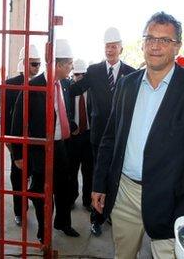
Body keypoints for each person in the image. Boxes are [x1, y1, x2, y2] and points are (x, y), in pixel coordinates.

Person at [91, 12, 184, 258]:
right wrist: (99, 183)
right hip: (124, 193)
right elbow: (110, 139)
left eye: (165, 40)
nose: (156, 46)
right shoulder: (127, 84)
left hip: (171, 199)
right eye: (150, 38)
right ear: (143, 42)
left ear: (177, 46)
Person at [11, 39, 80, 243]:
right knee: (42, 194)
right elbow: (17, 124)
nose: (71, 68)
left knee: (65, 189)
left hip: (60, 147)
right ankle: (44, 230)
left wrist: (72, 126)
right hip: (39, 150)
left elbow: (64, 112)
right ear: (58, 65)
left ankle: (63, 223)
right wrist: (18, 155)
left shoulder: (65, 85)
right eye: (69, 64)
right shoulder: (33, 88)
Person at [71, 27, 136, 237]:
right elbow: (76, 89)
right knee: (96, 175)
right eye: (107, 46)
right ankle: (95, 218)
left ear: (121, 48)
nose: (110, 50)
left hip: (123, 136)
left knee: (116, 175)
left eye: (114, 46)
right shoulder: (94, 71)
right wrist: (53, 85)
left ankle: (110, 212)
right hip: (99, 135)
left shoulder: (132, 73)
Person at [5, 44, 42, 226]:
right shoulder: (10, 84)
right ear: (24, 63)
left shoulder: (43, 83)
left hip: (38, 142)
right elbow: (5, 117)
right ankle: (19, 210)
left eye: (39, 64)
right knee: (18, 177)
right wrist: (11, 146)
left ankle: (33, 200)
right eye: (34, 64)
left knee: (38, 177)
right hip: (18, 141)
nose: (37, 67)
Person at [67, 59, 94, 211]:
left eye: (82, 74)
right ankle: (71, 198)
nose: (79, 77)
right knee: (72, 170)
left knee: (89, 171)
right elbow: (62, 112)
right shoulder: (68, 90)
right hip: (74, 137)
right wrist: (71, 126)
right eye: (77, 74)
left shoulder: (93, 91)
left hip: (90, 136)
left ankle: (87, 200)